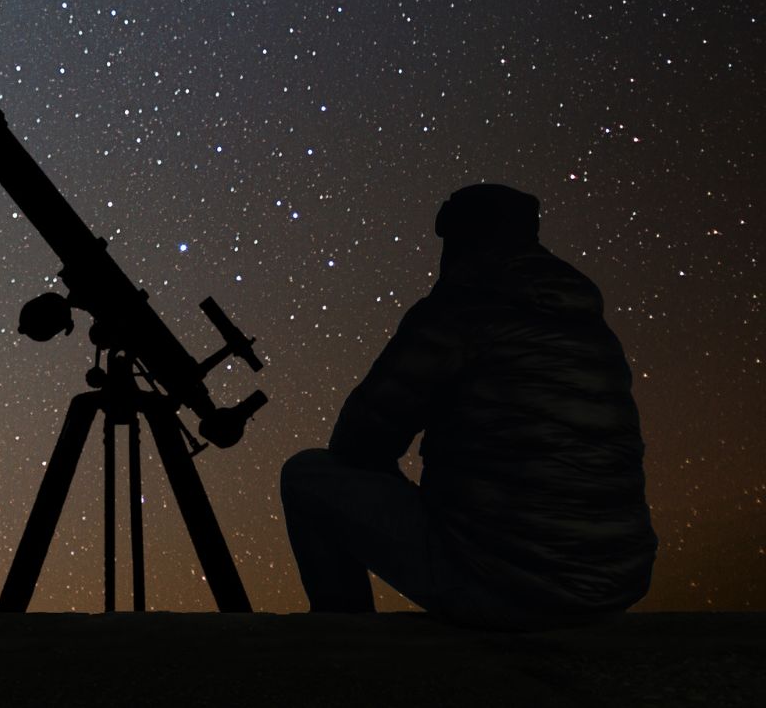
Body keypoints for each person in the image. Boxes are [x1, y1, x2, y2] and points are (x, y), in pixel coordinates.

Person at [280, 183, 656, 629]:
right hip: (612, 583)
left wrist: (394, 481)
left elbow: (358, 439)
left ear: (457, 234)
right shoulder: (589, 326)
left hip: (509, 587)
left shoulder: (458, 310)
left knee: (308, 476)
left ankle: (346, 645)